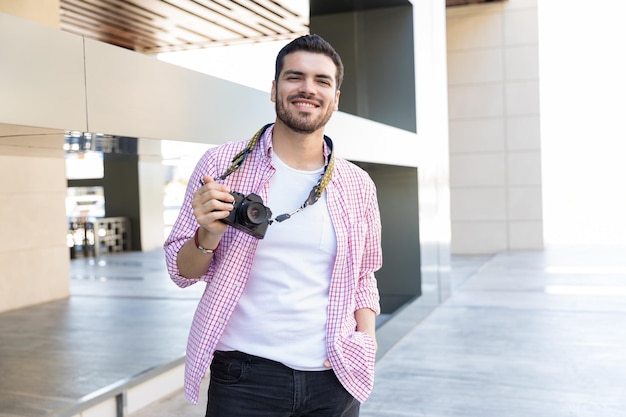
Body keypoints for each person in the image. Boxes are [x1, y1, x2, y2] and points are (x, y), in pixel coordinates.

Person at [164, 34, 382, 417]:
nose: (307, 89)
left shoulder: (357, 184)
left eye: (322, 81)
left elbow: (364, 275)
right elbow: (181, 272)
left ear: (335, 98)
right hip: (245, 377)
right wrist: (209, 234)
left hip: (335, 376)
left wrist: (366, 341)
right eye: (294, 77)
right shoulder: (222, 166)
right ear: (274, 89)